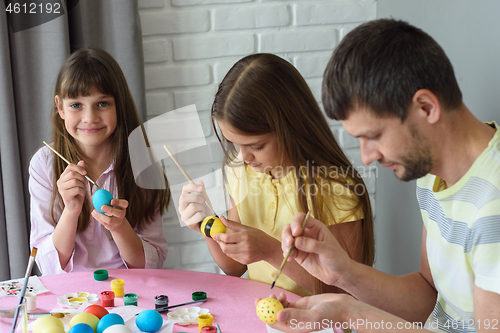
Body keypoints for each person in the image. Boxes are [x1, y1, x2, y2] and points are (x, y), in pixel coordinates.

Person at [273, 19, 500, 332]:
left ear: (425, 107)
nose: (367, 157)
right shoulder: (432, 172)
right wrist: (342, 274)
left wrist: (350, 314)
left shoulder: (494, 205)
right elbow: (428, 295)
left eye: (375, 135)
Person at [179, 53, 375, 297]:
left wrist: (270, 251)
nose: (244, 157)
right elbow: (235, 267)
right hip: (257, 316)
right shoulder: (241, 172)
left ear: (292, 126)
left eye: (256, 146)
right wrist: (206, 224)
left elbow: (347, 291)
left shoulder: (335, 187)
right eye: (235, 145)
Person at [29, 48, 171, 275]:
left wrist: (119, 227)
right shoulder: (44, 164)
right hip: (71, 296)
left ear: (119, 104)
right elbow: (48, 267)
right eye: (76, 105)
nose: (90, 118)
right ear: (60, 107)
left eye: (102, 104)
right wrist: (71, 211)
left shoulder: (141, 161)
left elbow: (150, 266)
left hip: (128, 292)